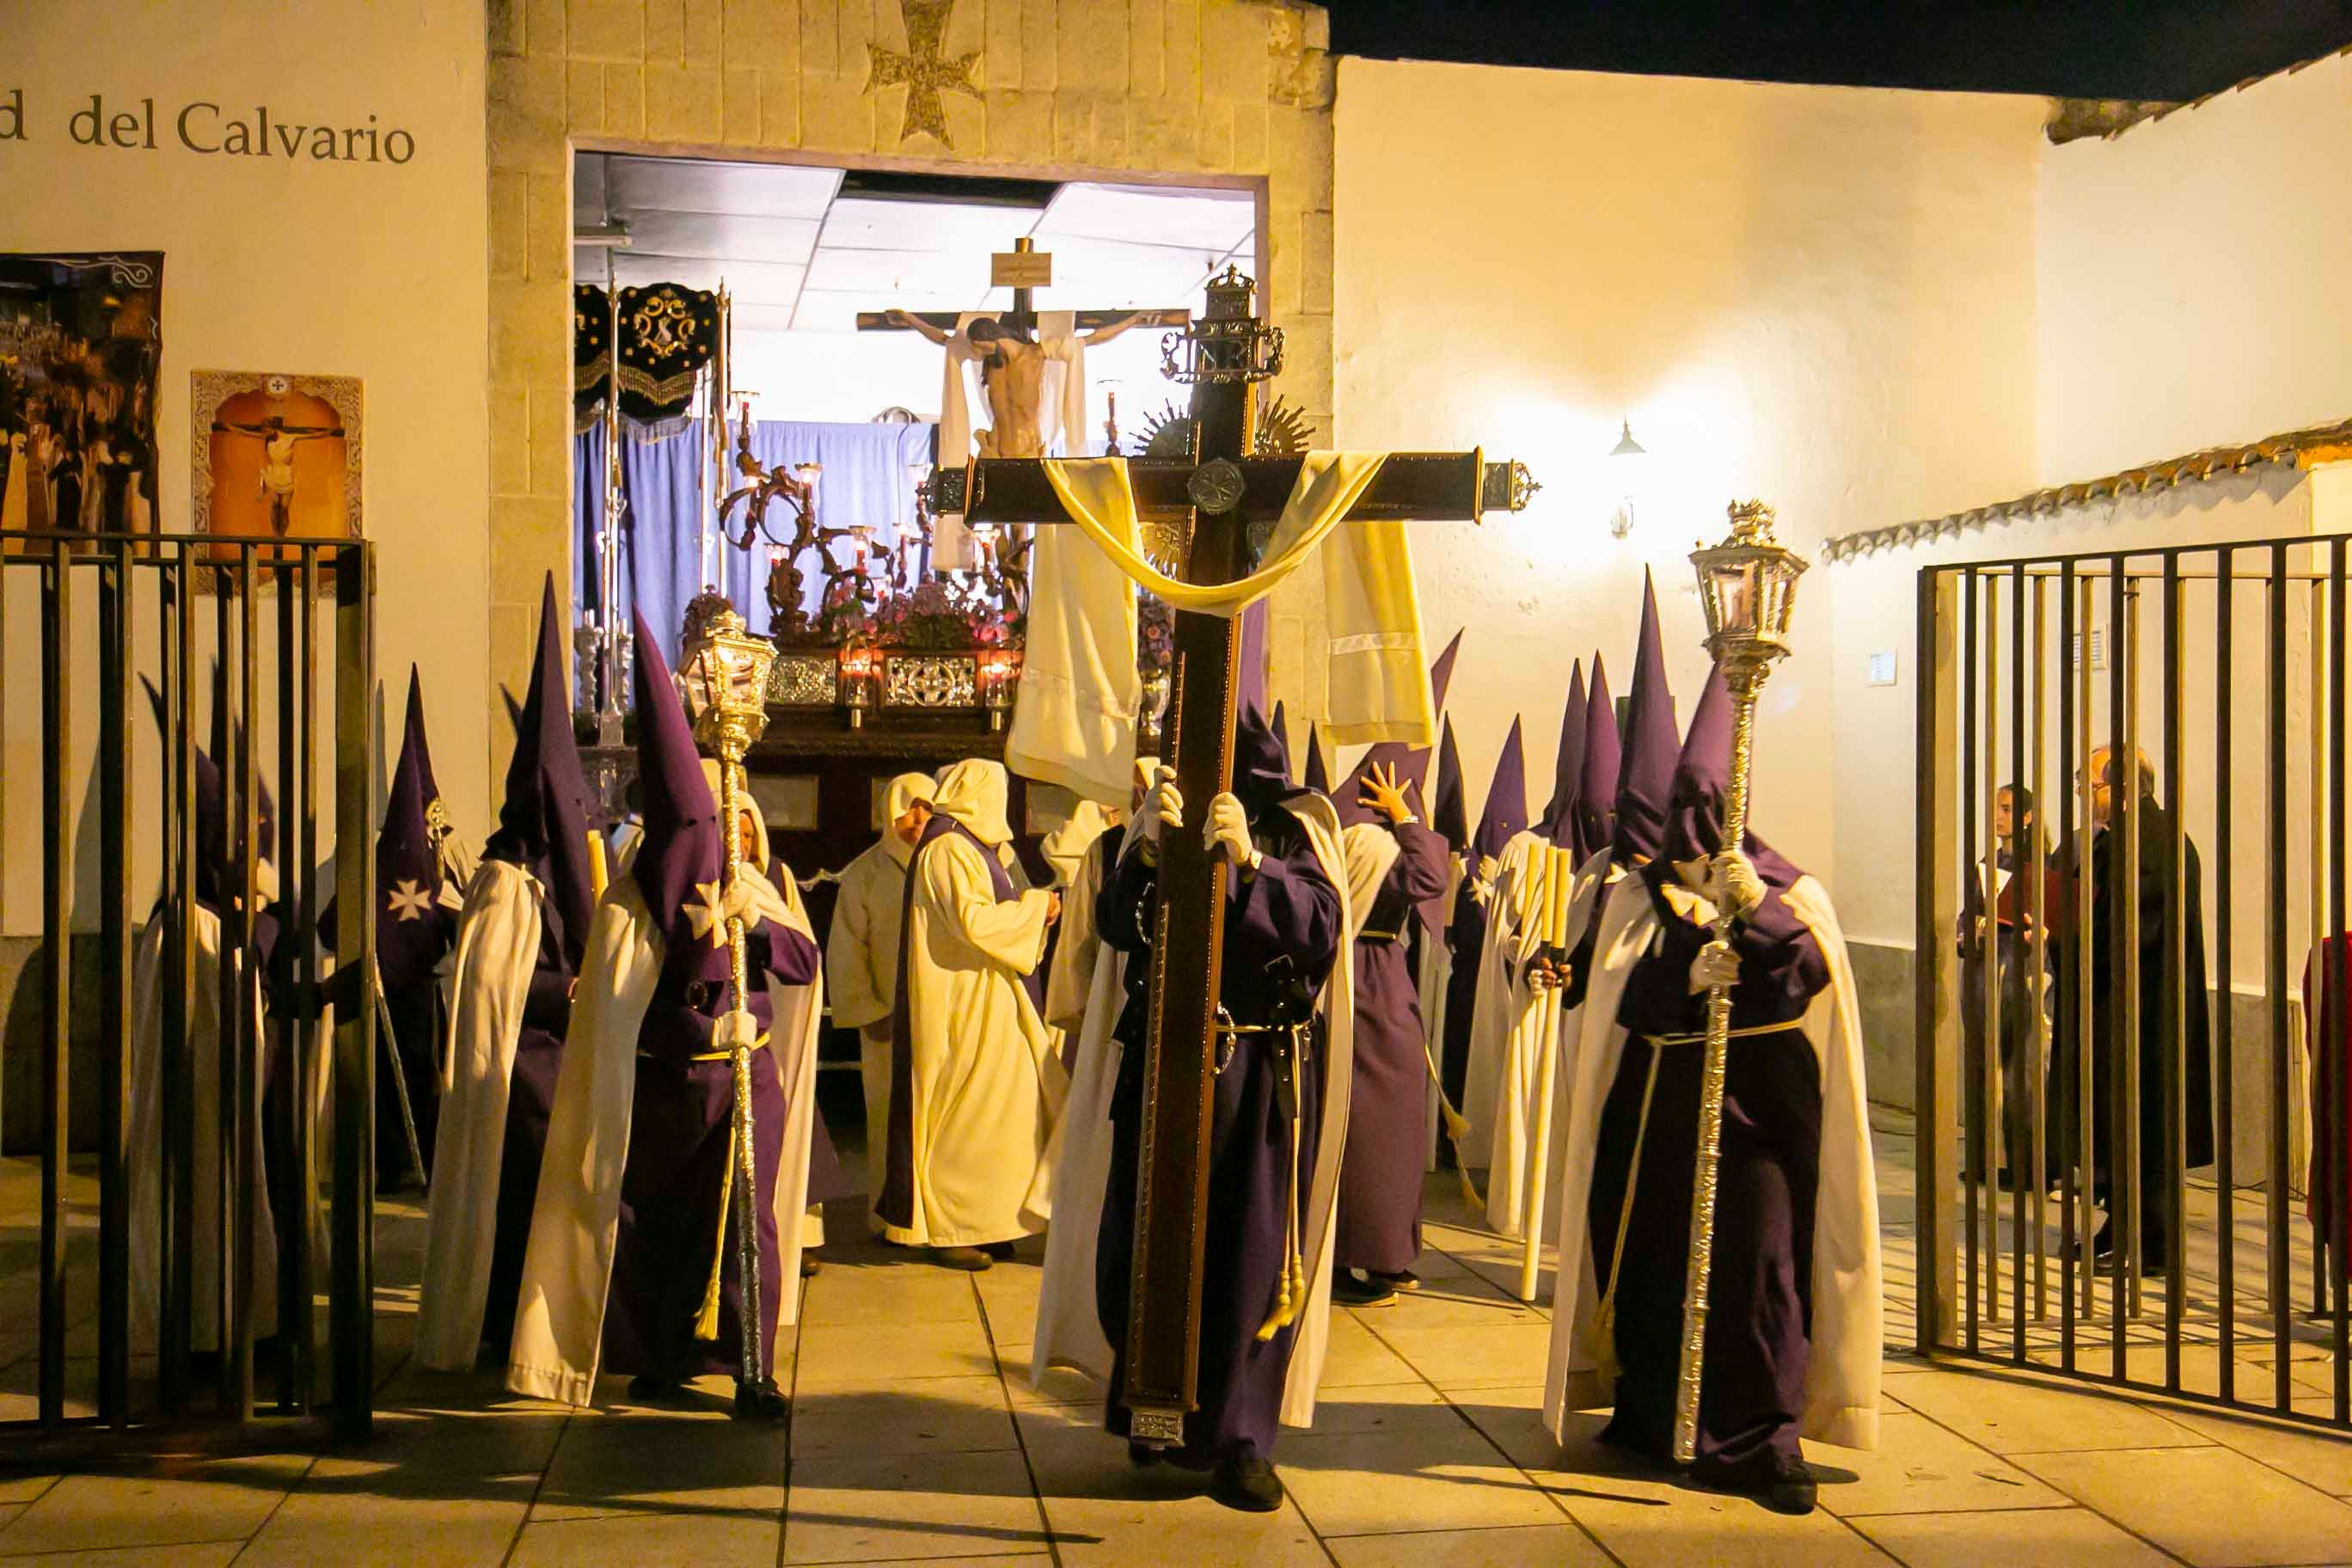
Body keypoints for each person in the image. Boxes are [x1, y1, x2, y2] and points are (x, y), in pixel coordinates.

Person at [1541, 669, 1880, 1516]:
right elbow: (1608, 995)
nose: (1686, 833)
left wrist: (1758, 913)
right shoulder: (1633, 896)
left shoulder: (1788, 888)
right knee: (1660, 1256)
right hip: (1662, 1101)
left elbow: (1813, 977)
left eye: (1704, 808)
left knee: (1761, 1259)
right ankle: (1661, 1413)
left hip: (1761, 1104)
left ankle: (1762, 1435)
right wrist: (1683, 973)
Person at [506, 611, 825, 1420]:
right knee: (667, 1227)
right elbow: (618, 995)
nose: (729, 845)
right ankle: (660, 1352)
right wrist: (684, 1026)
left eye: (739, 831)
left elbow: (801, 963)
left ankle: (751, 1366)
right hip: (673, 1087)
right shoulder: (637, 897)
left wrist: (757, 925)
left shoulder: (759, 886)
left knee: (746, 1232)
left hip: (746, 1078)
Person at [1052, 696, 1352, 1513]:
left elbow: (1320, 930)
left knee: (1249, 1257)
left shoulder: (1295, 833)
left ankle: (1243, 1441)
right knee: (1148, 1243)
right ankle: (1155, 1414)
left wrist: (1254, 865)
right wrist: (1145, 851)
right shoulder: (1146, 824)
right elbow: (1116, 928)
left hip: (1255, 1072)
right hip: (1162, 1068)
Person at [415, 580, 597, 1370]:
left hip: (561, 1067)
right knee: (512, 1198)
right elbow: (487, 985)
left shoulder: (566, 869)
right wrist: (568, 992)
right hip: (517, 1073)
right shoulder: (504, 877)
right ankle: (498, 1325)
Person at [874, 758, 1066, 1269]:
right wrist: (1035, 907)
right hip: (961, 1001)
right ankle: (950, 1227)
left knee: (1005, 1114)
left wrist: (1031, 912)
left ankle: (989, 1220)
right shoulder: (949, 848)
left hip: (989, 996)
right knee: (967, 1113)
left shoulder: (971, 847)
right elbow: (974, 924)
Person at [2059, 746, 2213, 1273]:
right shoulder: (2125, 837)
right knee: (2122, 1124)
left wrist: (2062, 932)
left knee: (2146, 1124)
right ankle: (2121, 1227)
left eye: (2090, 783)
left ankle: (2151, 1244)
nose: (2083, 792)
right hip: (2122, 1010)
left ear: (2122, 788)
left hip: (2146, 1016)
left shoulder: (2148, 842)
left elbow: (2129, 933)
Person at [1330, 760, 1452, 1305]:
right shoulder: (1366, 845)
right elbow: (1430, 877)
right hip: (1366, 991)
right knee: (1365, 1135)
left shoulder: (1361, 844)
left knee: (1392, 1134)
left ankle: (1386, 1255)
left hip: (1382, 987)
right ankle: (1350, 1257)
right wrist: (1405, 819)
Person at [824, 770, 939, 1198]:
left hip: (939, 1016)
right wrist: (867, 1010)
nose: (918, 818)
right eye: (910, 808)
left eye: (927, 808)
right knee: (889, 1116)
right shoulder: (866, 874)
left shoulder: (945, 866)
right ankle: (890, 1213)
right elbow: (847, 948)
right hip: (887, 1019)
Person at [1959, 783, 2061, 1190]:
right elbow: (1972, 909)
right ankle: (1990, 1159)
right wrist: (1967, 931)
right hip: (1989, 969)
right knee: (1987, 1065)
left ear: (2027, 817)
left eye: (2006, 809)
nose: (1997, 816)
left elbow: (2045, 917)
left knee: (2023, 1070)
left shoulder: (2038, 863)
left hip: (2023, 971)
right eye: (1996, 808)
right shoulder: (1990, 860)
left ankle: (2029, 1165)